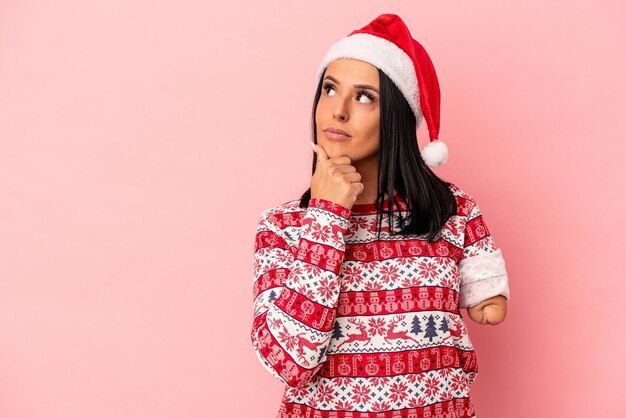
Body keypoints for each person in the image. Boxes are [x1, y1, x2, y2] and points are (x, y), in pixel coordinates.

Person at [250, 13, 510, 418]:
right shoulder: (282, 228)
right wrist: (327, 215)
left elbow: (487, 294)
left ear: (397, 115)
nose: (337, 111)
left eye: (364, 96)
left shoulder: (451, 213)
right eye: (329, 89)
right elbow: (291, 363)